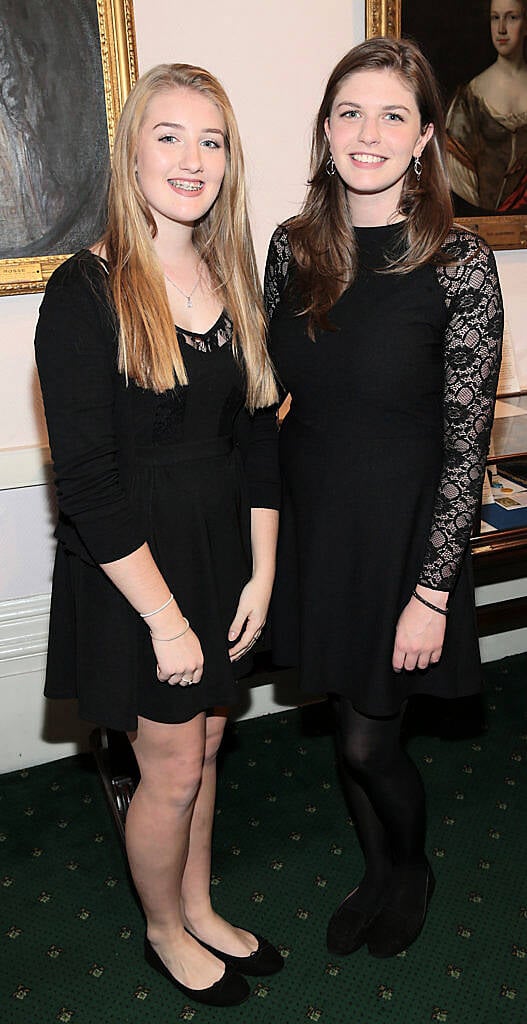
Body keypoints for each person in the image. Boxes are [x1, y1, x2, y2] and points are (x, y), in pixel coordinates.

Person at [35, 63, 283, 1007]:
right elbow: (90, 487)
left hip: (221, 554)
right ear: (132, 152)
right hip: (136, 572)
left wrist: (261, 573)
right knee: (170, 767)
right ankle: (163, 929)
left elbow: (259, 438)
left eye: (210, 139)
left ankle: (200, 905)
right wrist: (168, 623)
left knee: (211, 745)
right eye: (169, 135)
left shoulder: (230, 274)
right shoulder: (84, 290)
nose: (191, 158)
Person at [264, 37, 503, 960]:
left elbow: (462, 444)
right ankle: (374, 869)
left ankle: (412, 868)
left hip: (406, 541)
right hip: (317, 530)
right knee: (343, 724)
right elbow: (265, 395)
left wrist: (433, 589)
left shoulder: (459, 263)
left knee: (372, 743)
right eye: (350, 112)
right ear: (326, 130)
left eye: (392, 115)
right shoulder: (291, 249)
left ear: (424, 138)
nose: (369, 133)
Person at [446, 0, 527, 213]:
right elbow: (460, 178)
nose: (501, 28)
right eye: (495, 17)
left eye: (512, 17)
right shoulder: (470, 97)